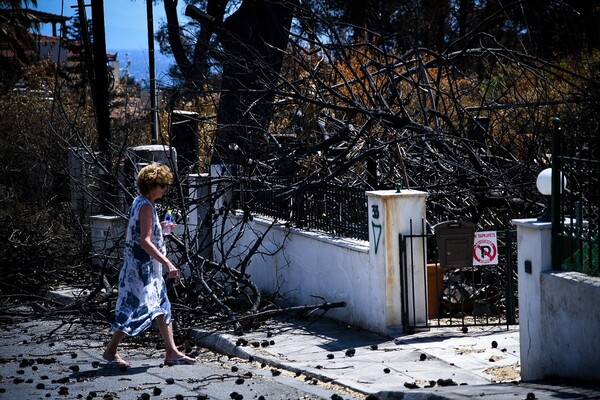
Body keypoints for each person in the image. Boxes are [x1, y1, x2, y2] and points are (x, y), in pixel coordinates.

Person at [102, 163, 196, 367]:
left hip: (144, 270)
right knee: (131, 309)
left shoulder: (141, 203)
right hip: (140, 271)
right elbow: (144, 241)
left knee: (162, 306)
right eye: (162, 185)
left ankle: (171, 351)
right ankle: (110, 352)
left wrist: (160, 228)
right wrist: (168, 263)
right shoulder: (145, 205)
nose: (164, 189)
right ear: (151, 186)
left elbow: (136, 232)